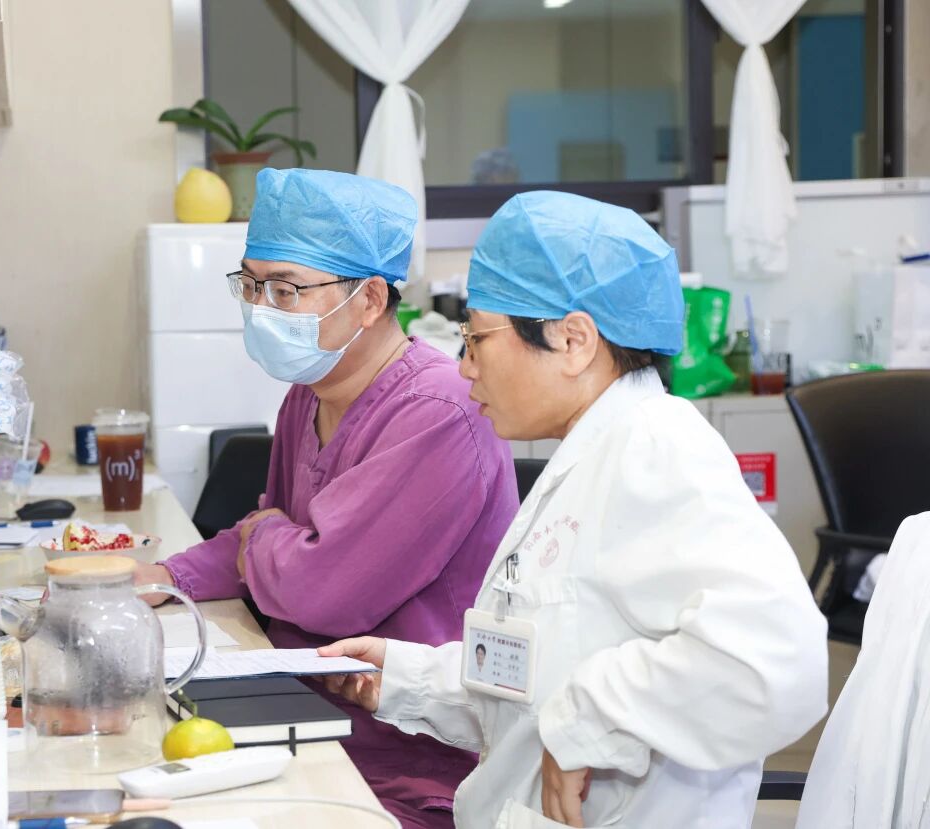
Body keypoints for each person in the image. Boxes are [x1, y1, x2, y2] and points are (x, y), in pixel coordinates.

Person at [319, 191, 829, 828]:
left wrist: (587, 720)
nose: (465, 367)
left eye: (477, 338)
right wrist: (404, 676)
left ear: (573, 340)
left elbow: (776, 661)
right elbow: (542, 677)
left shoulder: (657, 447)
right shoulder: (588, 457)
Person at [136, 168, 518, 829]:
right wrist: (164, 577)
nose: (261, 307)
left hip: (408, 764)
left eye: (285, 289)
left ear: (369, 299)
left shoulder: (439, 411)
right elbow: (272, 535)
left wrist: (267, 537)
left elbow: (323, 590)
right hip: (305, 717)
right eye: (251, 284)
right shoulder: (309, 395)